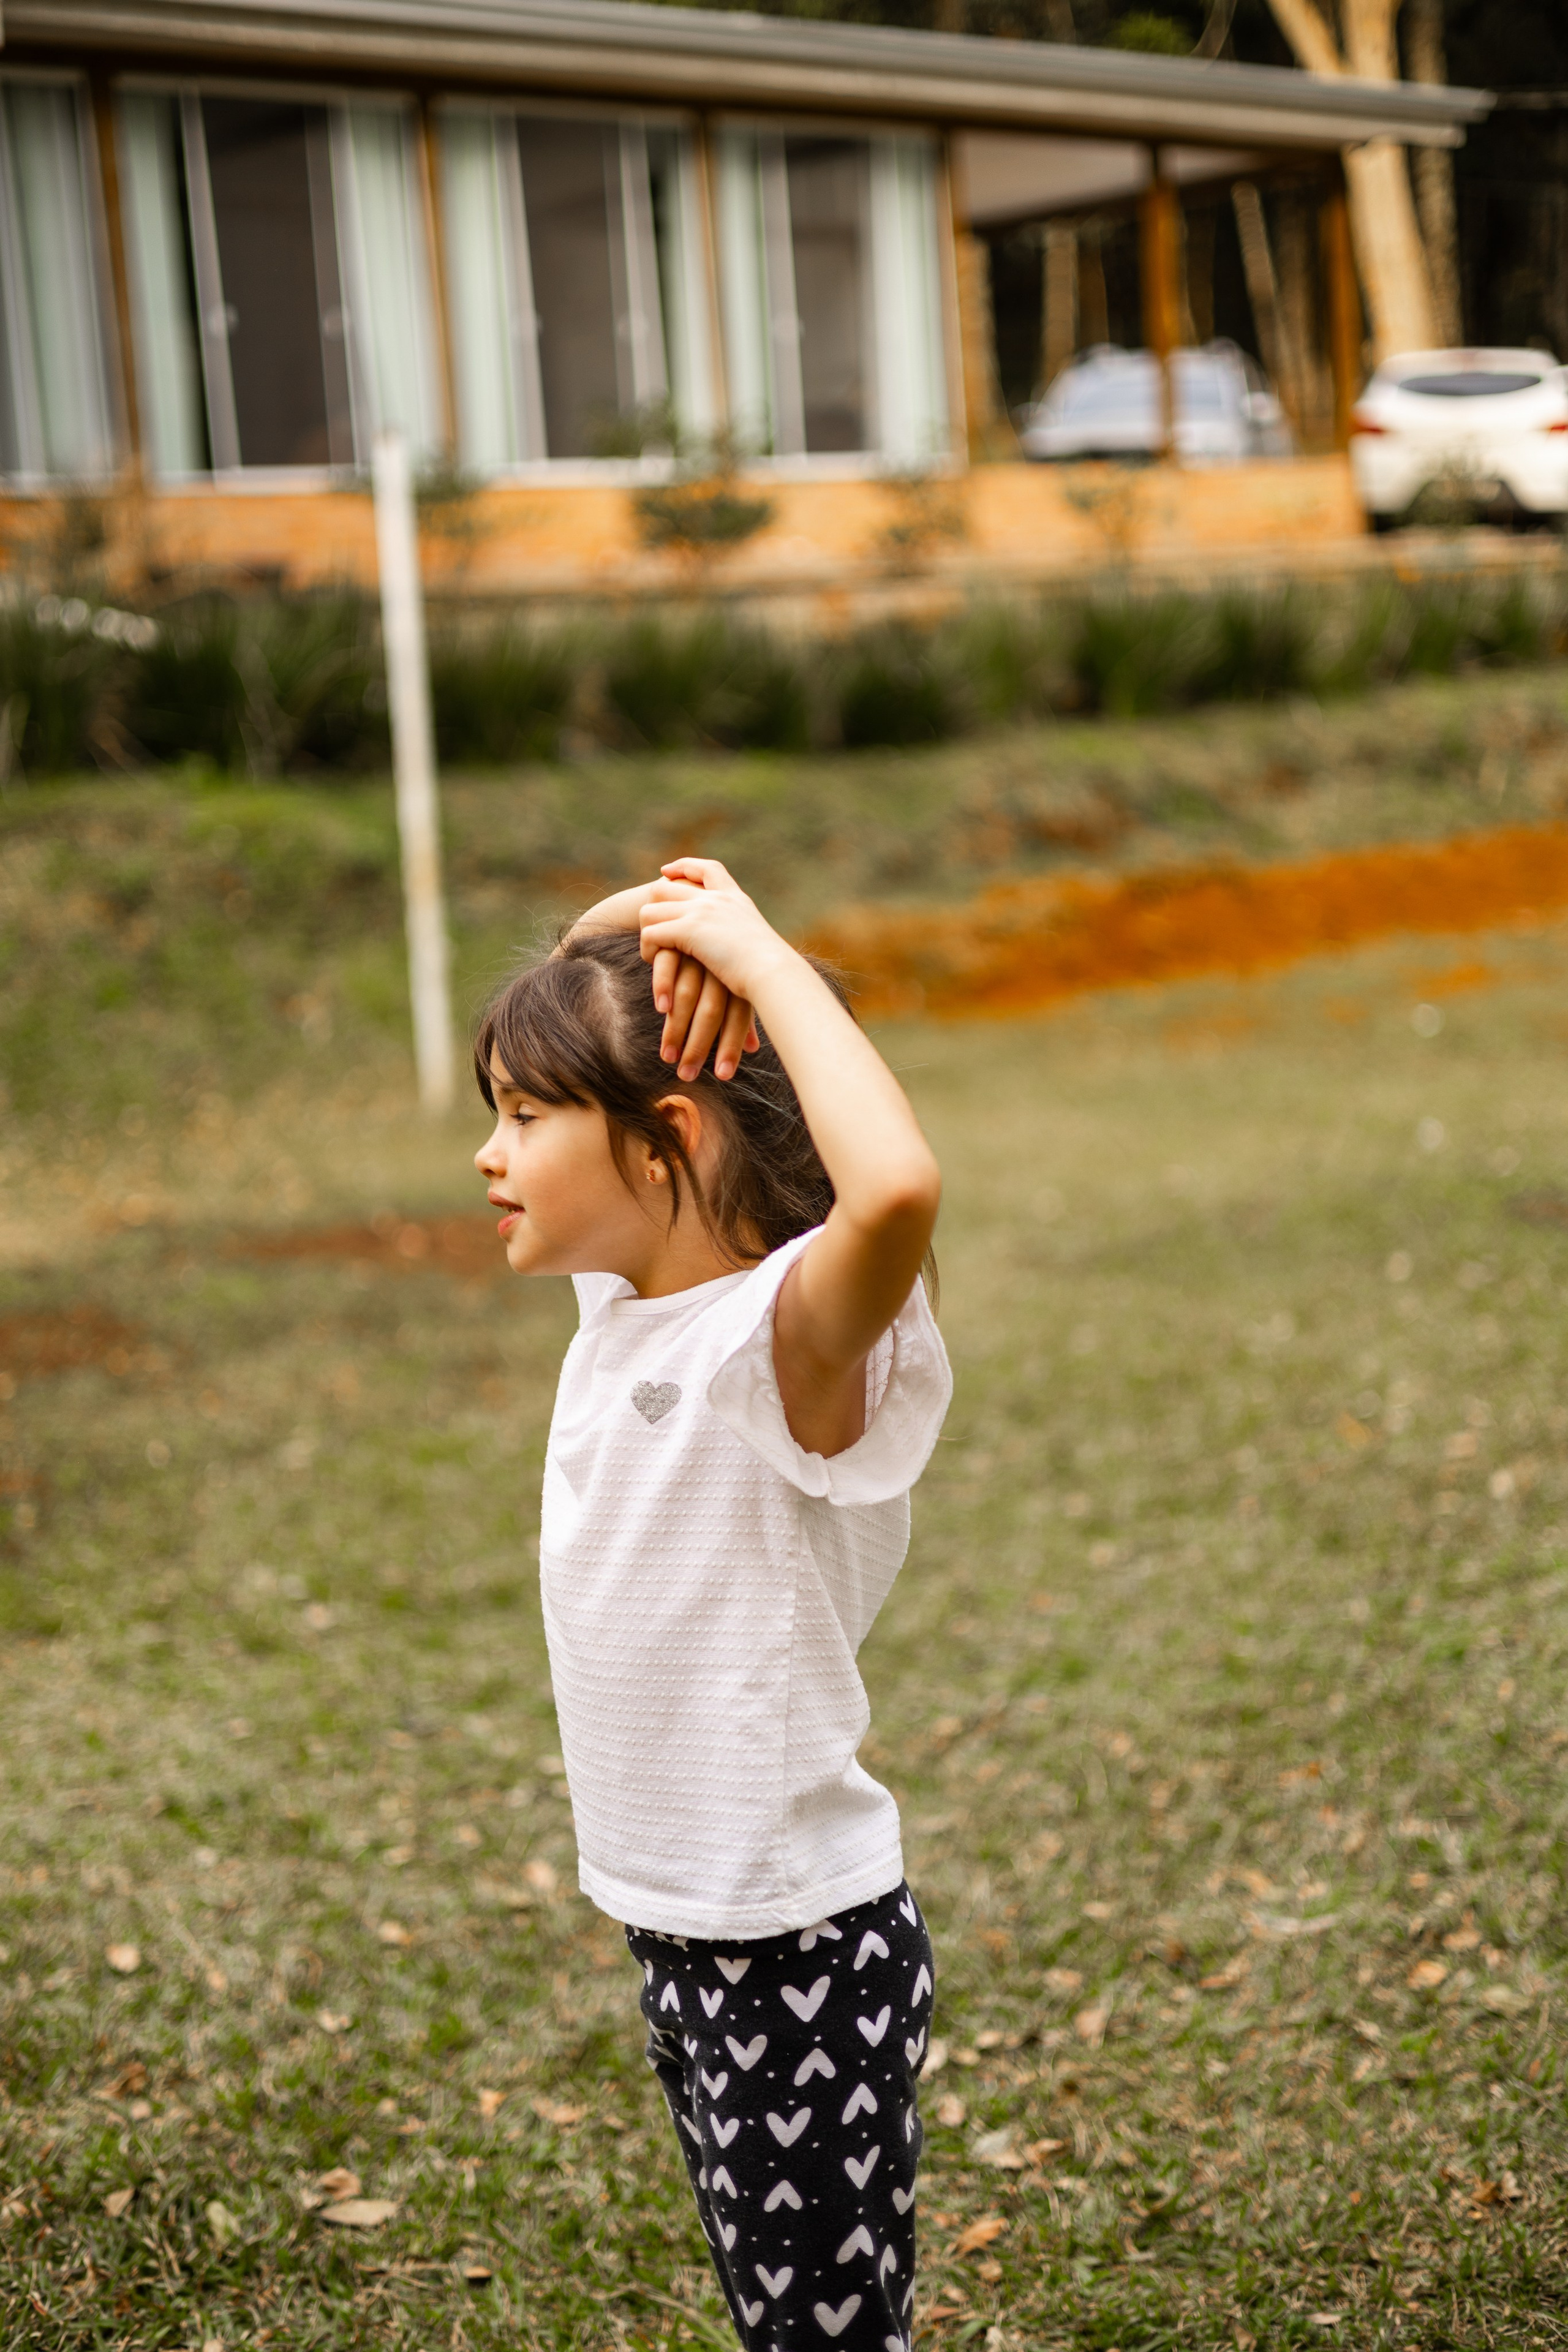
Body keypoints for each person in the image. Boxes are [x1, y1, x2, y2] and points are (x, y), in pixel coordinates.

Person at [473, 858, 951, 2351]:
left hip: (794, 1952)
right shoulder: (626, 1299)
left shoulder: (778, 1343)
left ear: (663, 1141)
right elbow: (587, 983)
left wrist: (754, 946)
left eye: (524, 1114)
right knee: (780, 2317)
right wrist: (658, 932)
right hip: (687, 1937)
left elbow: (897, 1188)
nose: (488, 1153)